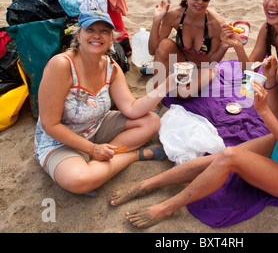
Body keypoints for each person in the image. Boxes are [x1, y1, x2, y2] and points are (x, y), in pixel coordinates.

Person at [109, 24, 278, 228]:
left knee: (230, 155)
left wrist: (262, 112)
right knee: (218, 157)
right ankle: (148, 184)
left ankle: (167, 207)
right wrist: (270, 81)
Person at [35, 11, 176, 195]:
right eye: (90, 29)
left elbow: (131, 109)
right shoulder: (62, 65)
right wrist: (92, 149)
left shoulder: (111, 67)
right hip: (60, 141)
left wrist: (166, 85)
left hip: (95, 125)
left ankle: (100, 165)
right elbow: (50, 124)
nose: (97, 35)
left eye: (104, 31)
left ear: (111, 40)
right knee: (79, 180)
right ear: (78, 35)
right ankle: (134, 156)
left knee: (151, 121)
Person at [148, 0, 228, 99]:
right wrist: (156, 21)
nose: (200, 1)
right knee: (164, 44)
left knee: (182, 94)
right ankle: (155, 99)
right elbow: (153, 50)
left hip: (205, 67)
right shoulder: (174, 16)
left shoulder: (215, 24)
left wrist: (224, 46)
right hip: (181, 62)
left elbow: (211, 61)